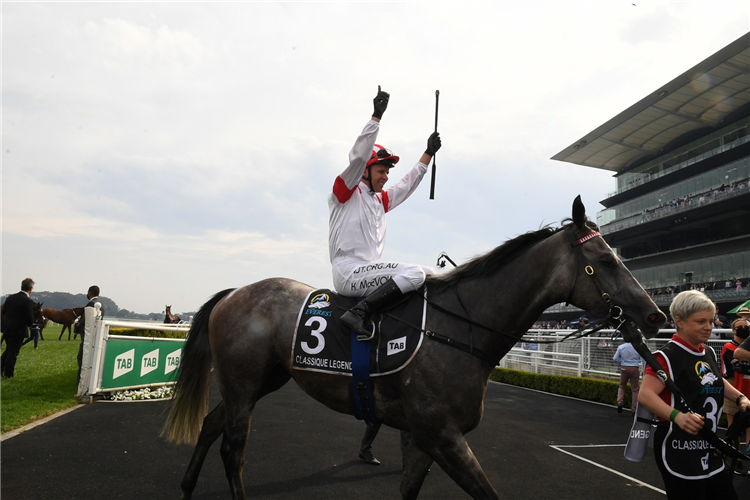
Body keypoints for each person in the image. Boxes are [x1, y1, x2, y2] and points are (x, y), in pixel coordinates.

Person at [329, 86, 441, 339]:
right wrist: (375, 118)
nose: (386, 177)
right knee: (413, 274)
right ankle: (358, 313)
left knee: (432, 274)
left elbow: (406, 185)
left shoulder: (379, 200)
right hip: (347, 271)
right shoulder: (346, 190)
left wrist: (427, 155)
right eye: (381, 171)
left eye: (387, 172)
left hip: (368, 269)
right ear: (366, 172)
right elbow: (357, 158)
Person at [638, 290, 749, 499]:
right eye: (701, 322)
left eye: (711, 321)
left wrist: (739, 397)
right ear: (679, 321)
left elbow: (716, 380)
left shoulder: (706, 351)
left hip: (708, 445)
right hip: (679, 448)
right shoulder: (666, 356)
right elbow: (645, 395)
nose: (708, 327)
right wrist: (677, 416)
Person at [720, 318, 750, 475]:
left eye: (746, 326)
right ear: (734, 330)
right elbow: (729, 370)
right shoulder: (728, 346)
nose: (744, 328)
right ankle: (735, 459)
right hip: (734, 388)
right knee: (734, 427)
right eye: (741, 327)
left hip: (748, 388)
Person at [0, 278, 37, 377]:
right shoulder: (28, 301)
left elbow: (4, 312)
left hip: (7, 328)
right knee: (13, 353)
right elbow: (29, 318)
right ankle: (8, 374)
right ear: (31, 288)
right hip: (18, 330)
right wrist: (31, 324)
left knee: (9, 350)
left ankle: (0, 369)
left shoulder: (10, 298)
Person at [77, 285, 104, 384]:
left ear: (90, 293)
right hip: (96, 334)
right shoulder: (101, 304)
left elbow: (84, 321)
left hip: (88, 334)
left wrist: (79, 325)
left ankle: (81, 380)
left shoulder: (90, 304)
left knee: (81, 357)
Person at [613, 341, 642, 413]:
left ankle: (620, 402)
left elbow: (615, 358)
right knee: (635, 389)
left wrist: (622, 363)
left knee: (622, 386)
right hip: (635, 368)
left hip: (624, 368)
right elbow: (644, 360)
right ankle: (634, 408)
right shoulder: (638, 347)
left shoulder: (621, 347)